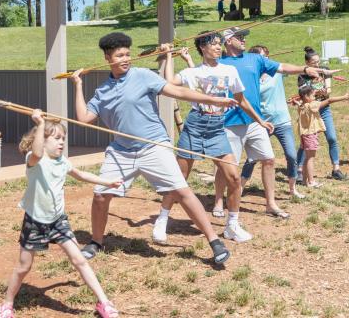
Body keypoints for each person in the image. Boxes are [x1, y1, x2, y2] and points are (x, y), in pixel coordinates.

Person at [71, 32, 235, 264]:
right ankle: (96, 241)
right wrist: (77, 85)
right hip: (121, 152)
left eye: (128, 54)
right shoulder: (103, 90)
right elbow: (82, 118)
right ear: (108, 57)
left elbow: (177, 91)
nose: (126, 58)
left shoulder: (143, 76)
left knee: (182, 191)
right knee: (100, 196)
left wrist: (214, 100)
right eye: (120, 55)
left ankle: (214, 242)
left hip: (154, 146)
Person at [152, 32, 273, 244]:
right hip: (195, 125)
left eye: (219, 44)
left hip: (218, 127)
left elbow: (241, 100)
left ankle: (232, 226)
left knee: (234, 178)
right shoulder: (192, 72)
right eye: (213, 44)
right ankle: (162, 220)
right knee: (179, 177)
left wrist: (259, 120)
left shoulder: (230, 70)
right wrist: (169, 55)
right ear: (202, 49)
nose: (218, 47)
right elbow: (170, 82)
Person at [0, 112, 121, 318]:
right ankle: (7, 303)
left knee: (79, 259)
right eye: (56, 138)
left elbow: (81, 175)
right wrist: (41, 123)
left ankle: (104, 302)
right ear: (42, 140)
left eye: (63, 138)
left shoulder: (62, 162)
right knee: (24, 266)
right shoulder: (34, 160)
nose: (61, 142)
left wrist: (107, 183)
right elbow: (36, 153)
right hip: (35, 222)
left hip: (58, 221)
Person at [213, 27, 329, 219]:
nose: (243, 40)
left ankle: (270, 204)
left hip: (255, 121)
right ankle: (218, 200)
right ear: (227, 41)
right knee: (226, 165)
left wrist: (305, 69)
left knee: (268, 159)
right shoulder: (219, 62)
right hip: (229, 121)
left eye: (243, 37)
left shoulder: (255, 59)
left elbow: (282, 67)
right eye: (239, 37)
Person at [240, 45, 305, 199]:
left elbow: (292, 70)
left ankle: (292, 189)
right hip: (261, 123)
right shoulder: (251, 77)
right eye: (263, 57)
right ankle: (240, 187)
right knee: (252, 158)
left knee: (291, 155)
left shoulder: (276, 72)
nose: (266, 59)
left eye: (267, 56)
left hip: (282, 122)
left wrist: (311, 69)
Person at [296, 47, 349, 182]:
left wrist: (327, 89)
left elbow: (329, 90)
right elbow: (304, 94)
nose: (317, 65)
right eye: (314, 63)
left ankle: (336, 169)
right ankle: (299, 170)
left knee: (332, 138)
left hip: (324, 109)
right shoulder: (302, 75)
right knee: (306, 143)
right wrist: (316, 91)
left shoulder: (324, 70)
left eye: (318, 62)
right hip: (309, 113)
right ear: (307, 63)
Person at [292, 86, 349, 188]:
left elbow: (301, 102)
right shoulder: (312, 105)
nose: (315, 97)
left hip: (304, 135)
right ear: (306, 96)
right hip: (310, 135)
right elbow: (329, 100)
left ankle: (305, 181)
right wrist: (344, 97)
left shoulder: (301, 105)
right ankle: (311, 181)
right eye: (313, 95)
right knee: (310, 158)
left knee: (306, 159)